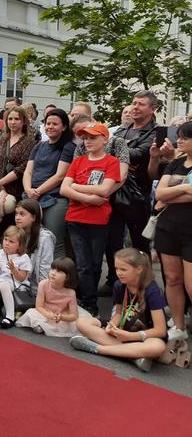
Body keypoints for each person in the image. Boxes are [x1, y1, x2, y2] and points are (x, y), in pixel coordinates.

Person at [71, 248, 167, 372]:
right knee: (81, 322)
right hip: (123, 330)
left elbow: (161, 330)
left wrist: (130, 336)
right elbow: (118, 313)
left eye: (123, 269)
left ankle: (98, 348)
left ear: (139, 269)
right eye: (116, 269)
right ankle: (134, 356)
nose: (119, 273)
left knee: (157, 347)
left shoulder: (152, 290)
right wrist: (112, 325)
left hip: (145, 335)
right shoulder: (119, 285)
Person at [60, 122, 120, 316]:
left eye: (92, 137)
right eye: (85, 138)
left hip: (99, 220)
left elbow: (105, 189)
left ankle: (89, 299)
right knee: (83, 264)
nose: (87, 141)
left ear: (105, 139)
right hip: (75, 219)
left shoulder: (111, 162)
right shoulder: (78, 161)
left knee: (94, 264)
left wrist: (76, 187)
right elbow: (63, 189)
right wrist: (89, 198)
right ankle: (88, 303)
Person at [104, 91, 159, 293]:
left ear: (152, 109)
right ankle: (113, 281)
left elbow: (139, 154)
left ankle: (145, 288)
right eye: (134, 103)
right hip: (114, 191)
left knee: (139, 245)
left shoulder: (155, 132)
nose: (135, 107)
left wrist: (116, 151)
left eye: (141, 104)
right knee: (112, 241)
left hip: (137, 196)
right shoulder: (122, 129)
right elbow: (106, 149)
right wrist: (121, 151)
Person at [154, 120, 192, 342]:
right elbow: (159, 193)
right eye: (179, 136)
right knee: (172, 279)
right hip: (168, 228)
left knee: (190, 284)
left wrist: (171, 193)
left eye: (185, 138)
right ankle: (178, 325)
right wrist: (185, 187)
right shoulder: (175, 164)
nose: (179, 141)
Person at [22, 108, 75, 258]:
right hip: (32, 197)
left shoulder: (68, 147)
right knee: (29, 240)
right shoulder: (39, 146)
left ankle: (59, 279)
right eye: (48, 123)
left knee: (54, 242)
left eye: (55, 124)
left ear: (64, 127)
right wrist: (28, 190)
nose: (50, 126)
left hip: (55, 199)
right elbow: (28, 172)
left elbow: (60, 175)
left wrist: (36, 191)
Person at [0, 106, 37, 235]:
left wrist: (0, 183)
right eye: (10, 119)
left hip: (14, 192)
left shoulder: (29, 141)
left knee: (12, 231)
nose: (13, 122)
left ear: (23, 121)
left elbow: (22, 168)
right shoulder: (2, 139)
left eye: (16, 119)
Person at [17, 257, 83, 337]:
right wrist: (48, 315)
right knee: (31, 313)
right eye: (52, 269)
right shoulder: (43, 284)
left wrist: (62, 317)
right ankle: (42, 325)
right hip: (44, 311)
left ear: (68, 276)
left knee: (78, 323)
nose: (53, 273)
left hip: (61, 313)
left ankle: (43, 326)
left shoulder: (71, 293)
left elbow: (74, 316)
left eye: (59, 271)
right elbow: (39, 306)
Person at [0, 226, 32, 328]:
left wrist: (14, 270)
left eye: (11, 241)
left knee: (4, 285)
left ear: (20, 245)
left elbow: (22, 278)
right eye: (5, 239)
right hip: (1, 280)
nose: (7, 243)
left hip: (16, 284)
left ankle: (10, 316)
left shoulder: (23, 257)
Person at [14, 199, 55, 290]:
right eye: (16, 214)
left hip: (34, 289)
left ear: (34, 217)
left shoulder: (45, 238)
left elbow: (45, 269)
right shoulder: (16, 234)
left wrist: (41, 294)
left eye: (22, 214)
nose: (17, 217)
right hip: (14, 282)